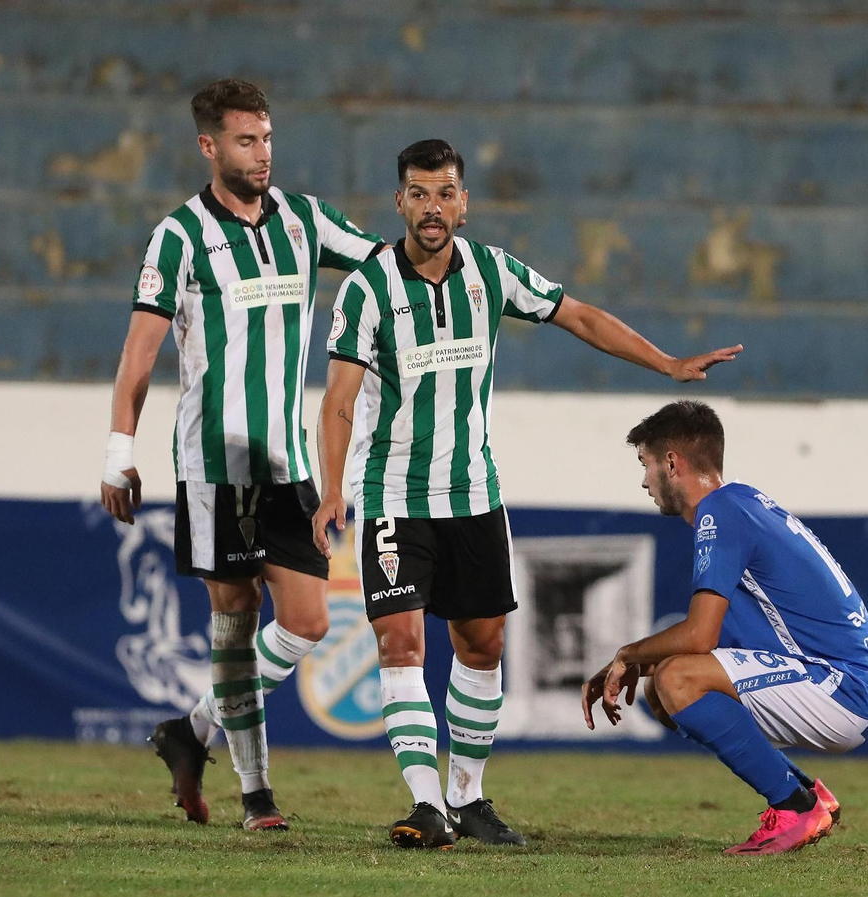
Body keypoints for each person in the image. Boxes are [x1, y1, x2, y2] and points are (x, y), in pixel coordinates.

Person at [312, 139, 743, 849]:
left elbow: (578, 315)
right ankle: (426, 804)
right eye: (418, 194)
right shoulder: (366, 288)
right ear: (399, 202)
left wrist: (664, 362)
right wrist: (333, 491)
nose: (432, 208)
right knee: (400, 639)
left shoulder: (489, 270)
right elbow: (337, 402)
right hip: (394, 494)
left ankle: (468, 797)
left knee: (483, 645)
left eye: (445, 192)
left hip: (475, 494)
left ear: (464, 201)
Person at [98, 78, 386, 831]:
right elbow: (139, 356)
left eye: (267, 139)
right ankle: (256, 794)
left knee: (309, 622)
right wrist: (116, 452)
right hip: (212, 465)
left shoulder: (303, 218)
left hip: (287, 464)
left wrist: (435, 241)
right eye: (246, 141)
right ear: (209, 146)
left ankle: (189, 730)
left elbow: (381, 264)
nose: (262, 155)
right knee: (234, 617)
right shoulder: (179, 237)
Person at [582, 400, 868, 856]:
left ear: (671, 462)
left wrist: (626, 655)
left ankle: (795, 808)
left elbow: (700, 637)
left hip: (842, 689)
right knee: (662, 688)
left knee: (675, 678)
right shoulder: (739, 503)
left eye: (645, 463)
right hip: (840, 679)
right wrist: (636, 666)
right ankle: (806, 795)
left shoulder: (720, 514)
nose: (644, 480)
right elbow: (724, 639)